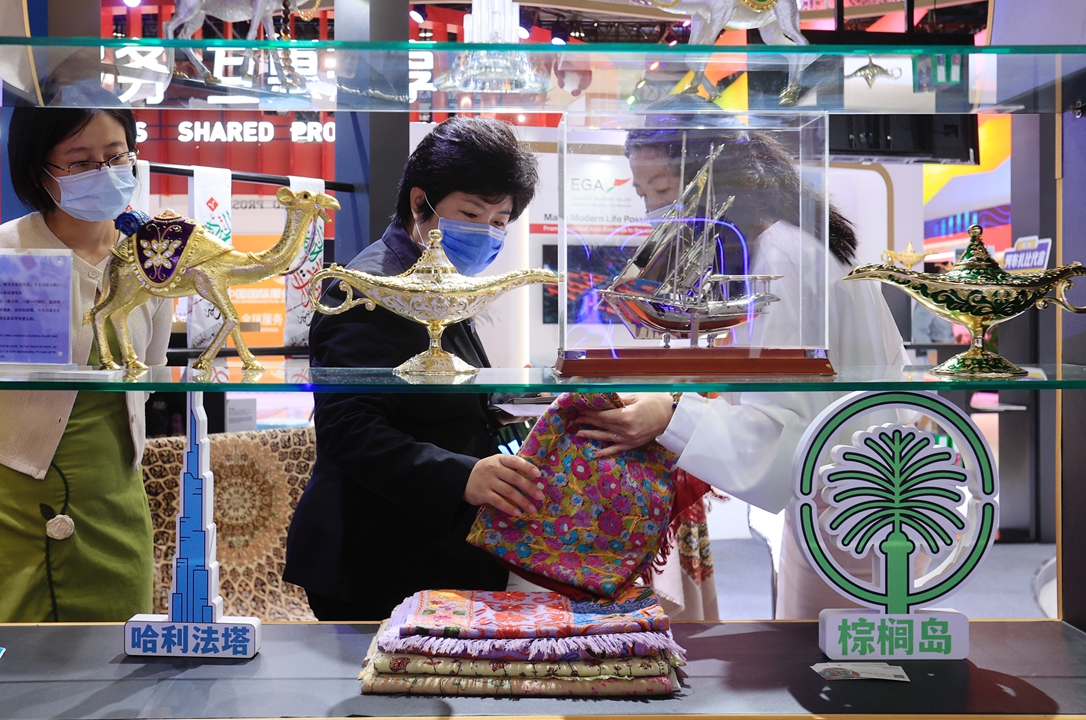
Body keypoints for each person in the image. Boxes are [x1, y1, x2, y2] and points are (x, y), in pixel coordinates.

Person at [575, 97, 912, 619]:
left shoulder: (782, 256)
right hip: (848, 496)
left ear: (714, 174)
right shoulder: (798, 241)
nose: (651, 209)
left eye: (663, 189)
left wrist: (670, 414)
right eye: (644, 193)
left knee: (838, 658)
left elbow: (783, 432)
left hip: (842, 506)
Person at [283, 116, 545, 621]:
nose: (487, 233)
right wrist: (463, 476)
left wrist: (495, 410)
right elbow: (350, 431)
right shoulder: (370, 288)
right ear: (420, 202)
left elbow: (425, 398)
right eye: (471, 213)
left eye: (499, 221)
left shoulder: (442, 278)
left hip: (432, 549)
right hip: (377, 557)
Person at [0, 98, 172, 622]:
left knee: (113, 676)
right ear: (38, 170)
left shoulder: (155, 259)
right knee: (4, 677)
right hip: (5, 505)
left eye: (116, 156)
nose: (103, 172)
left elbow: (153, 369)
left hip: (113, 501)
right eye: (79, 162)